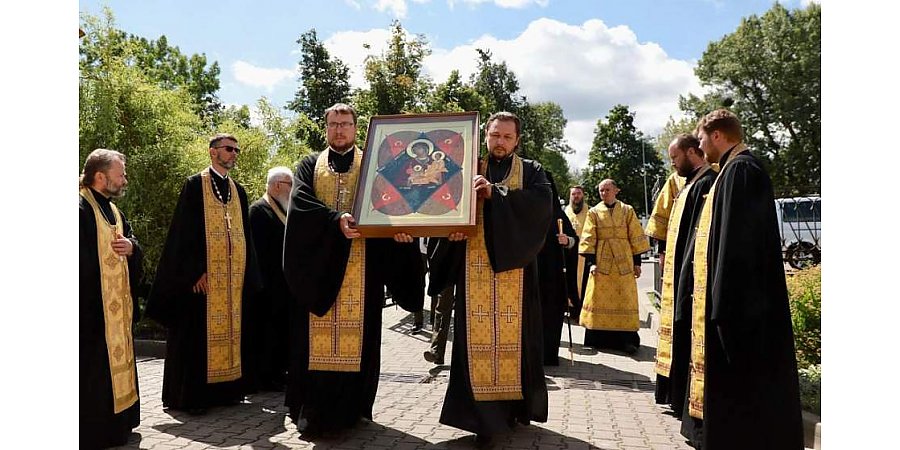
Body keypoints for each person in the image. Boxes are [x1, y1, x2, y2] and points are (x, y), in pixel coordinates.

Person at [282, 103, 425, 438]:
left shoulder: (374, 164)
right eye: (333, 124)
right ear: (326, 127)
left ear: (356, 128)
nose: (339, 130)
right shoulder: (308, 165)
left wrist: (401, 234)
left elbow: (396, 203)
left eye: (345, 124)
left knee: (361, 340)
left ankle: (353, 410)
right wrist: (335, 221)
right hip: (321, 273)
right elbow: (301, 203)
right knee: (312, 343)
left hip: (365, 268)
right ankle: (310, 409)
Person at [681, 109, 803, 449]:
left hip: (741, 305)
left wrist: (720, 304)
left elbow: (736, 245)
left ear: (718, 135)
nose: (701, 145)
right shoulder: (731, 170)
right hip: (738, 301)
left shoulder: (742, 171)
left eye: (703, 138)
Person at [436, 111, 552, 446]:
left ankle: (511, 411)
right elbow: (443, 206)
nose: (499, 142)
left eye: (506, 137)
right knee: (474, 345)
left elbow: (541, 208)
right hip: (472, 273)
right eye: (494, 135)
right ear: (485, 135)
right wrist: (449, 235)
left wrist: (496, 195)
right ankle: (479, 418)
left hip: (515, 275)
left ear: (517, 140)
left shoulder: (531, 172)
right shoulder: (465, 167)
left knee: (516, 345)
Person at [146, 133, 263, 415]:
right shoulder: (194, 185)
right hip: (203, 282)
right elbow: (183, 233)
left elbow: (244, 235)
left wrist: (247, 276)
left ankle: (225, 392)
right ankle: (192, 397)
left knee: (231, 336)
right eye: (228, 149)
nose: (234, 153)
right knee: (196, 338)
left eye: (236, 149)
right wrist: (194, 272)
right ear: (213, 152)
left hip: (230, 282)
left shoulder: (238, 190)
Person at [79, 149, 143, 448]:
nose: (125, 180)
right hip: (89, 312)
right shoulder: (78, 208)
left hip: (116, 311)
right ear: (100, 176)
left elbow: (132, 244)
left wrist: (132, 247)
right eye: (121, 175)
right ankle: (95, 432)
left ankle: (120, 423)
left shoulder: (115, 211)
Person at [651, 134, 717, 417]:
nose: (673, 164)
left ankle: (683, 398)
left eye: (675, 157)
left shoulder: (706, 182)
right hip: (678, 272)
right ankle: (675, 396)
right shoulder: (689, 182)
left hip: (691, 277)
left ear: (692, 152)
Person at [578, 179, 651, 355]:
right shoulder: (594, 212)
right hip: (601, 264)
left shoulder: (627, 210)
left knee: (625, 300)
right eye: (601, 190)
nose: (604, 193)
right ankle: (596, 339)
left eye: (607, 190)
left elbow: (635, 236)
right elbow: (589, 238)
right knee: (598, 300)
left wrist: (637, 262)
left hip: (624, 262)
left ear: (616, 190)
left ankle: (628, 342)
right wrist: (592, 263)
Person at [247, 166, 294, 391]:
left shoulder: (281, 209)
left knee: (279, 332)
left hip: (281, 285)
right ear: (277, 186)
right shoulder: (258, 210)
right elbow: (257, 253)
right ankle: (264, 377)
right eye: (290, 185)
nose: (292, 190)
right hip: (265, 286)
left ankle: (277, 372)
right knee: (265, 333)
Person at [536, 171, 579, 366]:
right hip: (532, 273)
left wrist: (566, 240)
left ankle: (549, 354)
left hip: (553, 276)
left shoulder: (559, 215)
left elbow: (574, 241)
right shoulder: (529, 212)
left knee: (552, 315)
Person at [422, 237, 463, 365]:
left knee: (465, 309)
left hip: (468, 259)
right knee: (442, 309)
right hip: (447, 261)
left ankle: (464, 357)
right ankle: (436, 352)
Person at [645, 172, 685, 271]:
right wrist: (662, 252)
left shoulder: (721, 171)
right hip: (681, 243)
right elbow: (661, 217)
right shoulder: (675, 180)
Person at [563, 185, 588, 316]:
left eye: (578, 194)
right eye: (573, 194)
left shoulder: (590, 212)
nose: (576, 196)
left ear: (583, 195)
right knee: (569, 280)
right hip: (569, 253)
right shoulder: (565, 211)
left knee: (584, 283)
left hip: (585, 255)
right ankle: (570, 308)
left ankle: (582, 310)